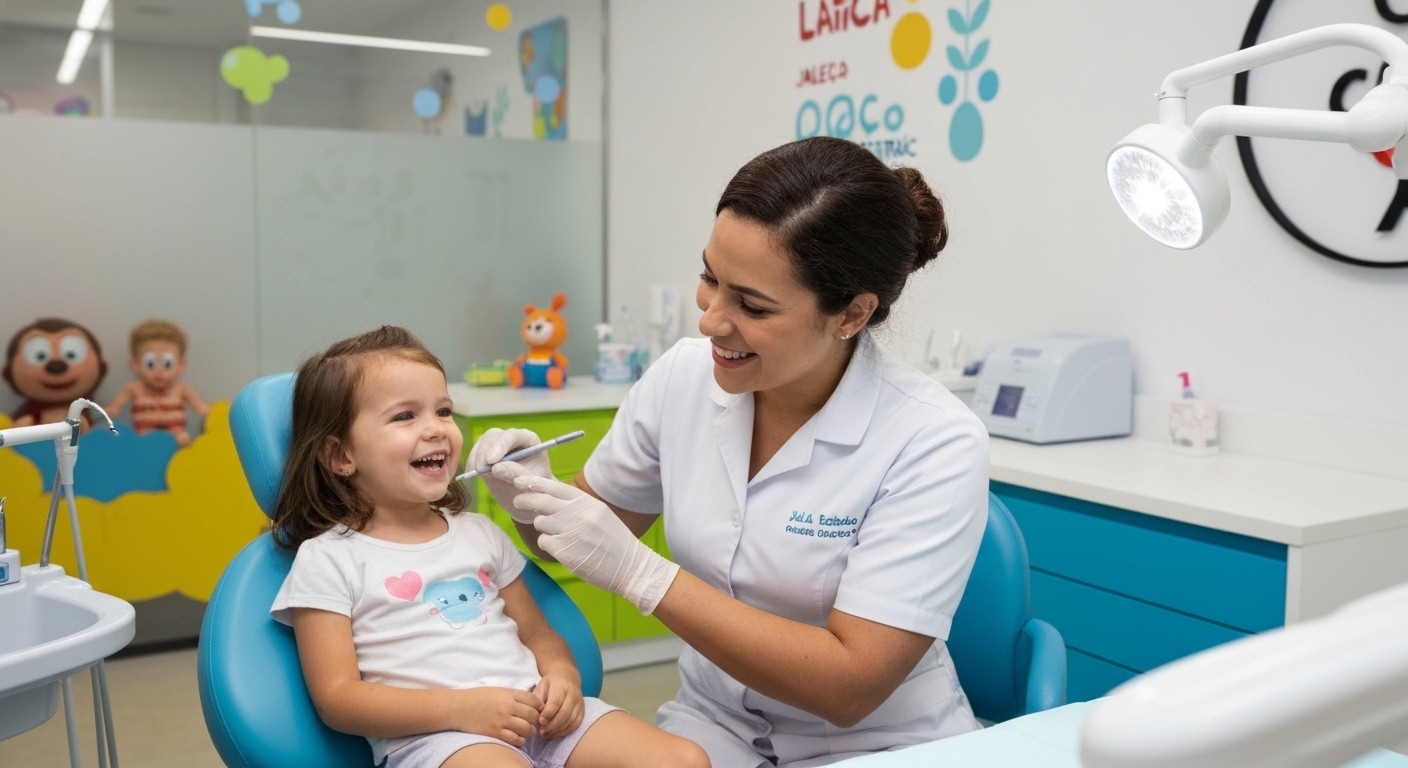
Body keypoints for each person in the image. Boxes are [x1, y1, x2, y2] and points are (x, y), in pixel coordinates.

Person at [472, 137, 991, 767]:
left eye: (751, 304)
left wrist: (644, 576)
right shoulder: (683, 378)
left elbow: (850, 687)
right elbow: (584, 535)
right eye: (709, 279)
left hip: (876, 746)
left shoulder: (933, 440)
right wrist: (532, 498)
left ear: (851, 314)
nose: (711, 321)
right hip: (713, 728)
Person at [267, 326, 709, 768]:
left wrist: (562, 675)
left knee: (683, 759)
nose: (437, 429)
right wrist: (463, 709)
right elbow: (338, 699)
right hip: (440, 739)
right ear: (340, 455)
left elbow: (537, 634)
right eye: (405, 416)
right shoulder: (328, 559)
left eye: (443, 411)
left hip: (539, 719)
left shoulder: (479, 533)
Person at [105, 319, 209, 446]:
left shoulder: (181, 389)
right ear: (135, 365)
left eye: (167, 364)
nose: (159, 372)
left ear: (181, 366)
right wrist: (109, 410)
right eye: (150, 364)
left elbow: (200, 408)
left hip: (175, 436)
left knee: (184, 438)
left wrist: (214, 413)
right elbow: (115, 407)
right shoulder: (134, 388)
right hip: (143, 437)